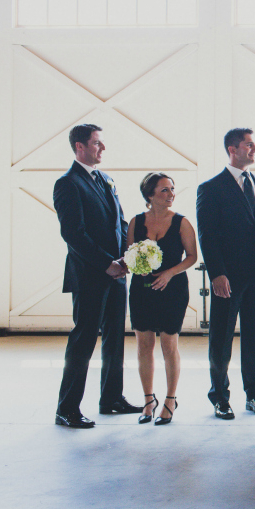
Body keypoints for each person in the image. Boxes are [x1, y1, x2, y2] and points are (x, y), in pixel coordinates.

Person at [53, 124, 141, 427]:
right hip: (91, 274)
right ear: (80, 147)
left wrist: (130, 256)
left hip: (117, 273)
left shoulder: (106, 179)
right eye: (96, 144)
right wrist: (106, 263)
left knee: (115, 338)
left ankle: (111, 398)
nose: (102, 149)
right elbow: (73, 234)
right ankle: (67, 408)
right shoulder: (68, 183)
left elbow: (119, 221)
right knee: (84, 339)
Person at [196, 128, 255, 420]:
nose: (254, 149)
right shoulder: (211, 188)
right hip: (227, 276)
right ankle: (220, 397)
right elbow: (207, 235)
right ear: (233, 149)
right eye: (249, 145)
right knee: (221, 338)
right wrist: (217, 273)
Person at [127, 172, 198, 425]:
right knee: (144, 345)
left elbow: (192, 256)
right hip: (142, 289)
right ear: (150, 195)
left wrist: (168, 273)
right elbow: (129, 255)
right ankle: (148, 400)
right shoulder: (136, 222)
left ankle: (170, 399)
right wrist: (136, 266)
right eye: (164, 190)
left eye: (172, 189)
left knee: (169, 345)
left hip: (173, 288)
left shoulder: (182, 222)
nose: (170, 195)